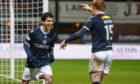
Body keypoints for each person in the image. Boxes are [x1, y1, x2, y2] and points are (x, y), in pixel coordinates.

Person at [60, 0, 113, 84]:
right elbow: (100, 14)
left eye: (92, 6)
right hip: (109, 54)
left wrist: (66, 40)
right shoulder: (109, 17)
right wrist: (91, 9)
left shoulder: (92, 20)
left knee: (95, 80)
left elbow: (79, 34)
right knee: (100, 81)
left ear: (94, 8)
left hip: (98, 53)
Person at [21, 12, 57, 84]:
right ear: (42, 22)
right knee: (25, 82)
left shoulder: (53, 35)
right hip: (32, 62)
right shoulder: (34, 32)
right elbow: (25, 45)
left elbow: (51, 47)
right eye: (48, 21)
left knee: (48, 78)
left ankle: (41, 75)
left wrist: (51, 54)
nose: (50, 23)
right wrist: (30, 56)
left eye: (52, 21)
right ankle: (34, 76)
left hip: (44, 62)